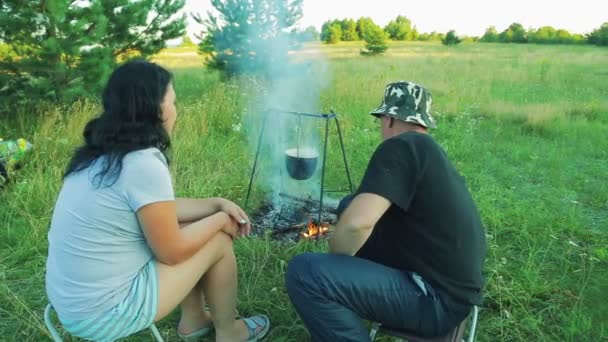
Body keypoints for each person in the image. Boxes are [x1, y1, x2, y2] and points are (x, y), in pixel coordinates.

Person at [45, 61, 270, 342]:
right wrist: (220, 221)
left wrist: (215, 203)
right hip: (103, 314)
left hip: (71, 301)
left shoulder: (100, 154)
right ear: (156, 109)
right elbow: (172, 252)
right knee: (218, 241)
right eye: (173, 102)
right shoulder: (142, 162)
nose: (176, 110)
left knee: (191, 224)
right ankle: (231, 332)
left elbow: (159, 211)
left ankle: (195, 320)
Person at [285, 81, 487, 341]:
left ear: (390, 119)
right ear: (423, 122)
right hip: (455, 294)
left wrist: (335, 257)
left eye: (381, 120)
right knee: (349, 202)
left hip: (434, 299)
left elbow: (357, 225)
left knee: (307, 273)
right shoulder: (429, 153)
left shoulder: (401, 146)